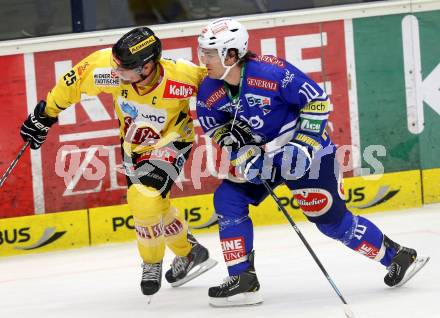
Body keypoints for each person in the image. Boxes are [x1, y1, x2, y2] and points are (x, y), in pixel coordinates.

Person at [195, 17, 430, 307]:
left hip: (307, 155)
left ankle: (397, 256)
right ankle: (243, 279)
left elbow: (316, 101)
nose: (202, 59)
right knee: (228, 199)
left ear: (231, 54)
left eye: (208, 53)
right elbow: (215, 127)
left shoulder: (271, 72)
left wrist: (303, 144)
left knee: (332, 224)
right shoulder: (208, 90)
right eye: (201, 52)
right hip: (263, 160)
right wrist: (241, 151)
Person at [20, 27, 217, 299]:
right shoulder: (111, 72)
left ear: (147, 67)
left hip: (171, 142)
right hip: (133, 147)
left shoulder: (181, 76)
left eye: (123, 69)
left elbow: (221, 88)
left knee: (144, 199)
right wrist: (45, 115)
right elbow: (72, 84)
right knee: (152, 205)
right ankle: (190, 252)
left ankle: (151, 262)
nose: (116, 72)